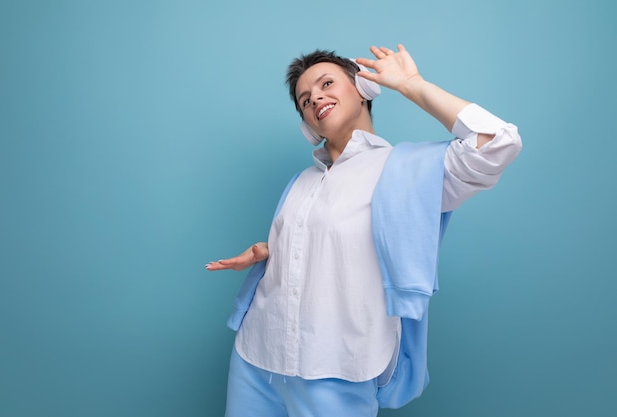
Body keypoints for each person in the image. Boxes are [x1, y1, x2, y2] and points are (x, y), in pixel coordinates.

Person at [206, 44, 522, 416]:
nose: (315, 98)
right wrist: (266, 251)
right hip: (257, 355)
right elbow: (325, 247)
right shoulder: (301, 181)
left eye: (326, 83)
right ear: (307, 124)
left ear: (363, 88)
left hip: (339, 367)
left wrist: (412, 85)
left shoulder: (406, 170)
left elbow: (498, 143)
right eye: (304, 99)